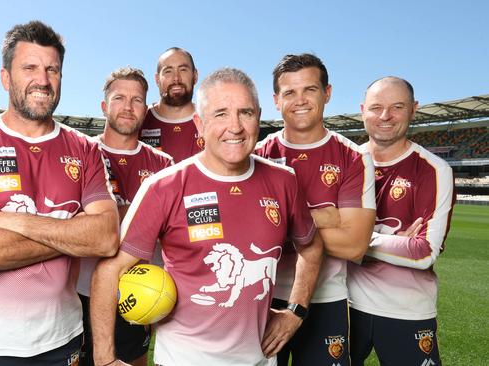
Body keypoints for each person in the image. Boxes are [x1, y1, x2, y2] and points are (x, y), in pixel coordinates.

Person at [91, 67, 324, 366]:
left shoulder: (284, 181)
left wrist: (296, 311)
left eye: (245, 113)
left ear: (259, 117)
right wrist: (104, 359)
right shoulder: (164, 186)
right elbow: (108, 272)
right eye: (221, 114)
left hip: (260, 359)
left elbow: (312, 246)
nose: (235, 126)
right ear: (199, 124)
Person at [0, 21, 119, 365]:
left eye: (52, 69)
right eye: (30, 68)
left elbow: (106, 238)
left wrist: (12, 221)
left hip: (60, 337)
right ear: (6, 78)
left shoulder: (84, 148)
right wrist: (72, 232)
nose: (43, 80)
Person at [255, 53, 376, 366]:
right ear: (275, 100)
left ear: (327, 93)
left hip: (326, 301)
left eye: (309, 89)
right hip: (261, 299)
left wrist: (277, 221)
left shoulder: (353, 157)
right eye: (289, 92)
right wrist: (325, 216)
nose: (300, 100)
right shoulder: (257, 157)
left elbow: (354, 244)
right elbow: (243, 231)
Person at [348, 77, 455, 366]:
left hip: (406, 311)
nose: (385, 116)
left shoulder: (434, 170)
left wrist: (352, 240)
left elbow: (423, 252)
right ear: (363, 110)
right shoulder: (346, 163)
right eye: (376, 107)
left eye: (397, 107)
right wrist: (397, 243)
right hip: (342, 305)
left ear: (413, 109)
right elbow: (317, 233)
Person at [77, 66, 173, 366]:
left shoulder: (164, 164)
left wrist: (113, 215)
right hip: (81, 290)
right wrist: (142, 214)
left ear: (146, 109)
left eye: (137, 100)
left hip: (138, 291)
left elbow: (170, 229)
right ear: (105, 106)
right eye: (120, 98)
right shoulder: (81, 152)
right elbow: (73, 221)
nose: (128, 107)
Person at [138, 47, 204, 162]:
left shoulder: (211, 120)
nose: (176, 78)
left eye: (183, 70)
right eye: (168, 71)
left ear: (195, 76)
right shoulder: (138, 120)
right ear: (157, 79)